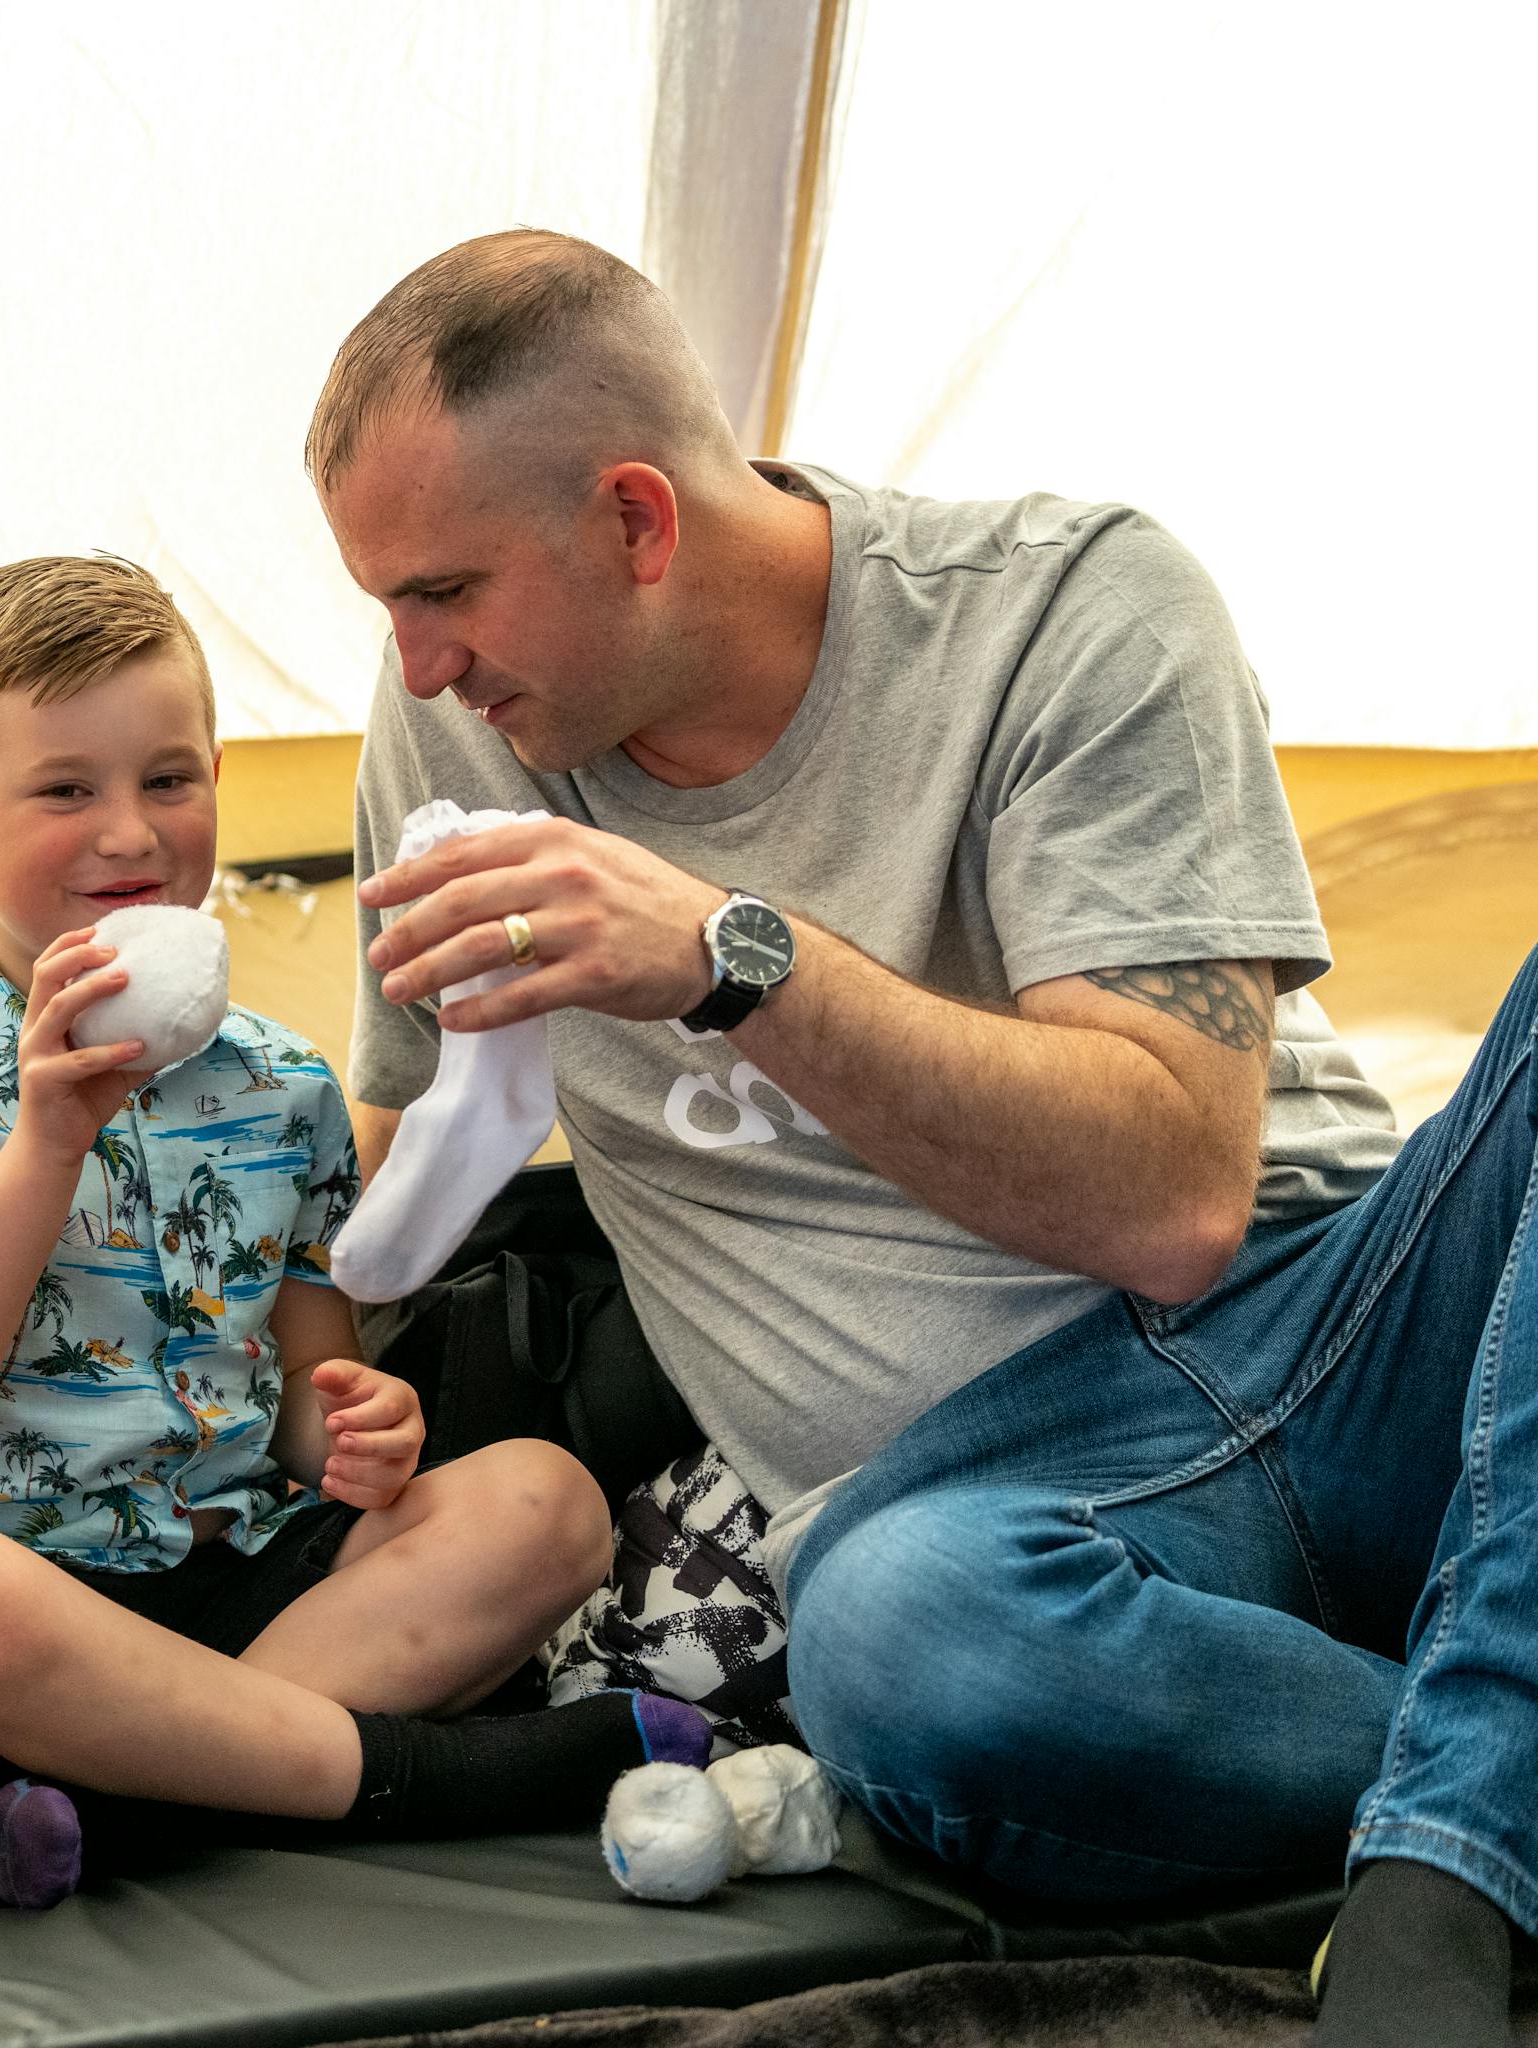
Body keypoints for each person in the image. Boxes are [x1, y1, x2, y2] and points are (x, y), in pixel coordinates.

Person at [314, 228, 1532, 2047]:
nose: (415, 669)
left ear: (639, 520)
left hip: (1358, 1346)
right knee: (896, 1643)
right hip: (992, 1523)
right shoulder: (451, 759)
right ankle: (1475, 1778)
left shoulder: (1072, 609)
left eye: (444, 592)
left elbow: (1179, 1201)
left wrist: (732, 962)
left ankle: (1449, 1861)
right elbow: (395, 1149)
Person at [0, 554, 712, 1912]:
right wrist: (46, 1145)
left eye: (170, 779)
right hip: (9, 1616)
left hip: (241, 1583)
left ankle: (119, 1798)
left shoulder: (279, 1085)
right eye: (64, 789)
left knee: (546, 1505)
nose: (131, 834)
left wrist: (353, 1425)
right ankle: (421, 1779)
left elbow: (301, 1392)